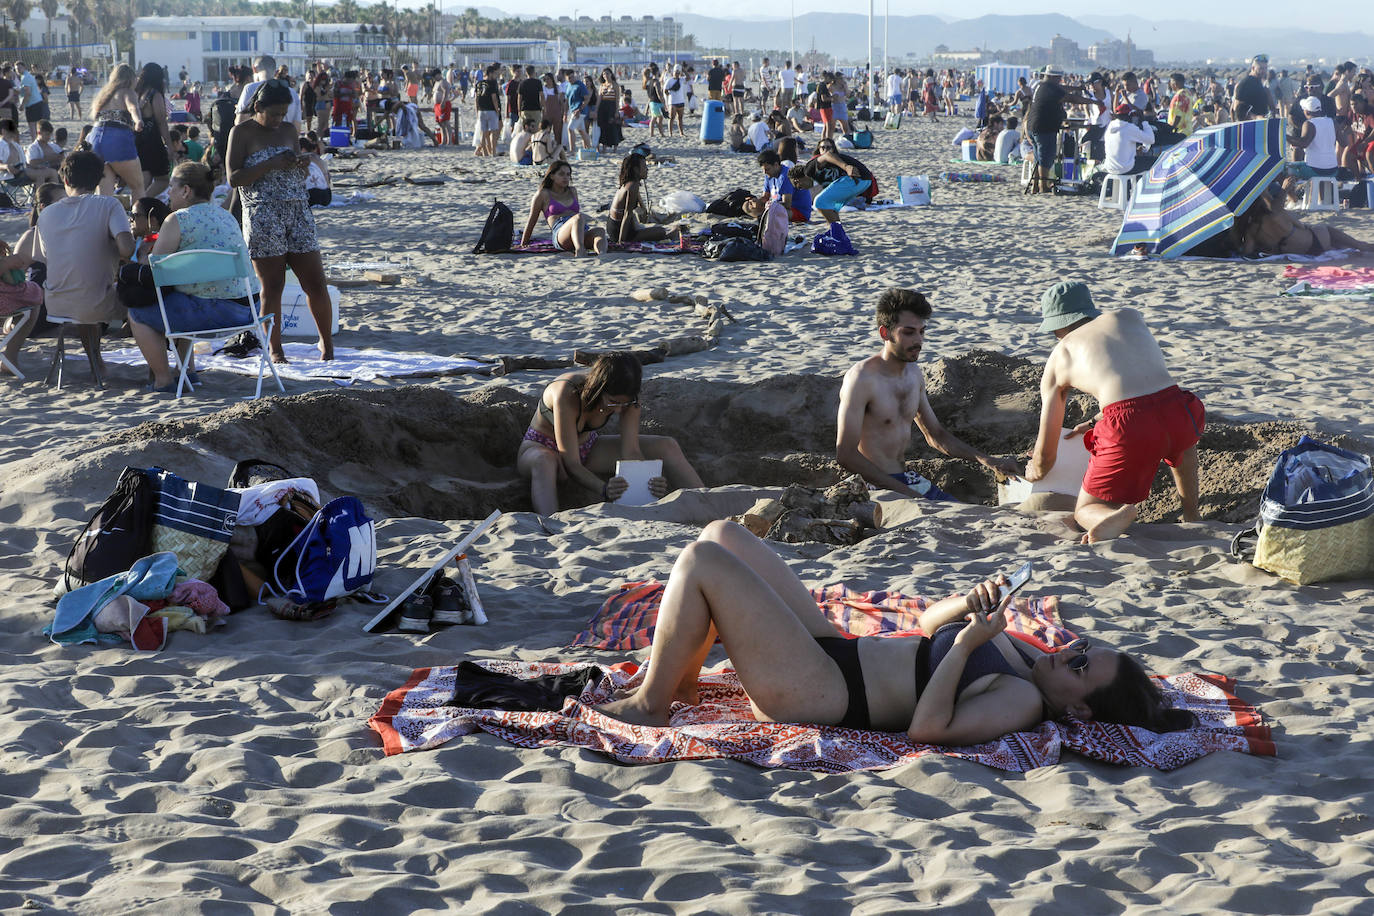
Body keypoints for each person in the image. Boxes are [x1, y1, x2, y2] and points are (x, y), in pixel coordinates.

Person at [595, 519, 1196, 740]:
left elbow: (927, 729)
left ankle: (653, 702)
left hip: (827, 692)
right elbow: (922, 628)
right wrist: (967, 605)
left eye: (1082, 666)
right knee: (723, 535)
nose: (1070, 650)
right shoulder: (1018, 650)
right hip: (839, 650)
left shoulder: (1022, 701)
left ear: (1081, 712)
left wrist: (966, 646)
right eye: (1083, 647)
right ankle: (685, 681)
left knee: (702, 566)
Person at [1026, 282, 1205, 543]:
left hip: (1128, 426)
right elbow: (1144, 390)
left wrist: (1035, 471)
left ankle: (1109, 516)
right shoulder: (1129, 317)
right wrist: (1093, 421)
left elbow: (1047, 453)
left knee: (1083, 510)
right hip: (1180, 408)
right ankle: (1192, 515)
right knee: (1182, 444)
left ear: (1058, 325)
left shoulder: (1060, 355)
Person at [837, 289, 1021, 501]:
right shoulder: (861, 379)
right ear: (885, 333)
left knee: (965, 511)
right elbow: (845, 454)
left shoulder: (913, 374)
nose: (918, 340)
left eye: (921, 331)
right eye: (908, 332)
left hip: (907, 479)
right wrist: (907, 493)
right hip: (874, 488)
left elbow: (936, 436)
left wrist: (986, 460)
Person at [126, 162, 261, 393]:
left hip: (216, 314)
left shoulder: (177, 220)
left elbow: (154, 272)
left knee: (137, 313)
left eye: (171, 187)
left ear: (186, 191)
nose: (168, 193)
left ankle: (163, 380)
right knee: (184, 296)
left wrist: (138, 257)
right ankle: (188, 372)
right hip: (250, 310)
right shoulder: (225, 216)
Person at [516, 353, 704, 516]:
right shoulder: (566, 393)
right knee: (544, 460)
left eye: (624, 404)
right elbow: (570, 462)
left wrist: (648, 480)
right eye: (613, 402)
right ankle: (550, 525)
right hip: (540, 447)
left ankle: (708, 502)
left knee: (667, 445)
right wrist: (604, 489)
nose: (618, 410)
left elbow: (631, 452)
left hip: (587, 448)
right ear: (598, 388)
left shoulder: (628, 401)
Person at [227, 80, 334, 364]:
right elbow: (233, 178)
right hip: (263, 214)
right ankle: (275, 349)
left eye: (283, 113)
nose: (278, 120)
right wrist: (269, 164)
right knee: (272, 286)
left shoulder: (288, 130)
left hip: (297, 211)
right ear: (257, 107)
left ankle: (327, 344)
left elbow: (292, 162)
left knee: (316, 283)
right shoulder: (241, 133)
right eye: (273, 113)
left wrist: (300, 163)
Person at [35, 151, 135, 380]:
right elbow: (127, 250)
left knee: (85, 287)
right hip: (96, 302)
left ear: (66, 180)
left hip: (56, 304)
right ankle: (157, 372)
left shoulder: (47, 213)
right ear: (100, 179)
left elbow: (46, 255)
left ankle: (96, 362)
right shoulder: (109, 204)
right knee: (145, 300)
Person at [1232, 191, 1374, 256]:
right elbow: (1298, 224)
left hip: (1307, 251)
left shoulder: (1251, 231)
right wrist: (1284, 189)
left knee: (1348, 248)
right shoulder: (1278, 215)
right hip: (1318, 237)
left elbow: (1247, 253)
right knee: (1360, 246)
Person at [1025, 67, 1093, 193]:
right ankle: (1043, 185)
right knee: (1045, 158)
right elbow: (1072, 98)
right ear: (1052, 77)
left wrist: (1078, 88)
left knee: (1038, 157)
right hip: (1044, 127)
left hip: (1033, 126)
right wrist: (1093, 101)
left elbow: (1063, 89)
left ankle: (1035, 185)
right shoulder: (1050, 88)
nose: (1059, 80)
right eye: (1058, 78)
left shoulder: (1042, 86)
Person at [518, 160, 606, 257]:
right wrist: (523, 243)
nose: (565, 177)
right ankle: (580, 250)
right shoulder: (543, 194)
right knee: (578, 217)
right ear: (552, 176)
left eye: (568, 175)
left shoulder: (572, 191)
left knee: (600, 231)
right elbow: (532, 220)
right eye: (561, 174)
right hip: (561, 233)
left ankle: (602, 255)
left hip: (579, 230)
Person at [88, 64, 147, 199]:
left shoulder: (104, 95)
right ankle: (140, 219)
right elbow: (133, 108)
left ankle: (103, 219)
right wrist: (138, 120)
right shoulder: (127, 92)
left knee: (104, 193)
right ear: (131, 78)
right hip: (117, 138)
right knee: (137, 186)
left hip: (96, 139)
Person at [786, 137, 873, 225]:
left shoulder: (809, 169)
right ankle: (837, 232)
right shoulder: (819, 180)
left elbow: (827, 155)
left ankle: (836, 231)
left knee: (819, 202)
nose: (803, 189)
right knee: (831, 207)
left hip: (857, 177)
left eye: (800, 187)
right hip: (864, 180)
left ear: (798, 180)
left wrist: (846, 167)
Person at [607, 153, 672, 244]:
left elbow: (642, 209)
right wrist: (621, 242)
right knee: (661, 232)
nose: (647, 169)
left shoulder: (630, 183)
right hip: (619, 230)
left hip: (613, 226)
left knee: (658, 230)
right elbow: (627, 214)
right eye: (644, 167)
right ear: (636, 170)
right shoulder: (633, 186)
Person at [133, 63, 174, 197]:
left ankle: (137, 204)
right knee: (162, 180)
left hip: (139, 140)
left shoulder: (139, 94)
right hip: (152, 141)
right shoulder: (154, 95)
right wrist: (169, 145)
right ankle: (141, 202)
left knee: (144, 177)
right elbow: (161, 122)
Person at [746, 149, 811, 222]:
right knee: (747, 207)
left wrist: (769, 205)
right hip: (779, 207)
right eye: (763, 170)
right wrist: (754, 201)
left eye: (767, 169)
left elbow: (787, 204)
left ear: (776, 165)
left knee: (774, 211)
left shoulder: (786, 176)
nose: (765, 172)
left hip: (798, 211)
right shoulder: (769, 176)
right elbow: (765, 197)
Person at [1288, 96, 1338, 178]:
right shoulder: (1332, 122)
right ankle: (1318, 190)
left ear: (1307, 112)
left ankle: (1296, 190)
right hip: (1333, 170)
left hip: (1314, 170)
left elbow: (1303, 144)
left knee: (1290, 167)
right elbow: (1344, 142)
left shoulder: (1309, 124)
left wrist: (1285, 137)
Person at [1103, 105, 1157, 176]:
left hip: (1110, 167)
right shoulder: (1129, 127)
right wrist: (1144, 121)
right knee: (1156, 161)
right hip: (1125, 169)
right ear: (1128, 115)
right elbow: (1151, 139)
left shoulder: (1110, 127)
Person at [1232, 55, 1273, 120]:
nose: (1264, 71)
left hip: (1261, 123)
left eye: (1265, 68)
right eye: (1261, 68)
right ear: (1253, 68)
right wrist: (1256, 117)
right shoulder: (1245, 83)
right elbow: (1236, 110)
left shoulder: (1259, 82)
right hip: (1251, 126)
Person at [475, 65, 501, 157]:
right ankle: (493, 151)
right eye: (494, 74)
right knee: (493, 132)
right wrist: (497, 109)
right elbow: (494, 98)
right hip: (491, 110)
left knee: (483, 132)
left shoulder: (478, 83)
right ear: (490, 73)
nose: (495, 76)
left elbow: (476, 98)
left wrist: (476, 110)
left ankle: (485, 152)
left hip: (481, 110)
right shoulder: (492, 83)